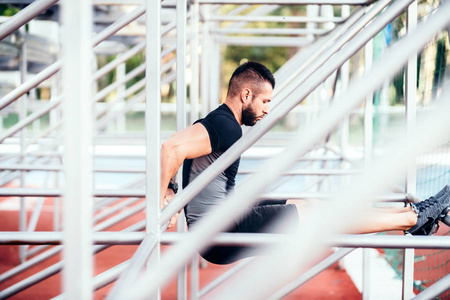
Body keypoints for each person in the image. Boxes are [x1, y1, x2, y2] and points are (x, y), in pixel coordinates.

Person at [160, 61, 450, 265]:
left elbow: (177, 146)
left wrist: (172, 189)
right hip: (219, 233)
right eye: (265, 102)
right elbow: (170, 147)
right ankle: (412, 218)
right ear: (245, 94)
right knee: (318, 213)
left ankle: (409, 214)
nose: (267, 110)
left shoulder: (218, 120)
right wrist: (163, 198)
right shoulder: (227, 127)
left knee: (311, 203)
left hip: (225, 216)